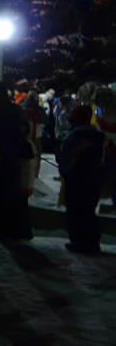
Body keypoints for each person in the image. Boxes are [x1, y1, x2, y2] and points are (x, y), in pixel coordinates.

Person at [0, 82, 33, 240]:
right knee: (17, 196)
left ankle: (1, 228)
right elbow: (26, 129)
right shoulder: (17, 110)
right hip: (16, 157)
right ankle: (21, 229)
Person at [59, 105, 106, 253]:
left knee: (76, 211)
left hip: (76, 180)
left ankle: (79, 242)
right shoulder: (98, 136)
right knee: (89, 211)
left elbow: (67, 160)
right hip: (94, 179)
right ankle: (92, 243)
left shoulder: (75, 136)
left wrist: (64, 169)